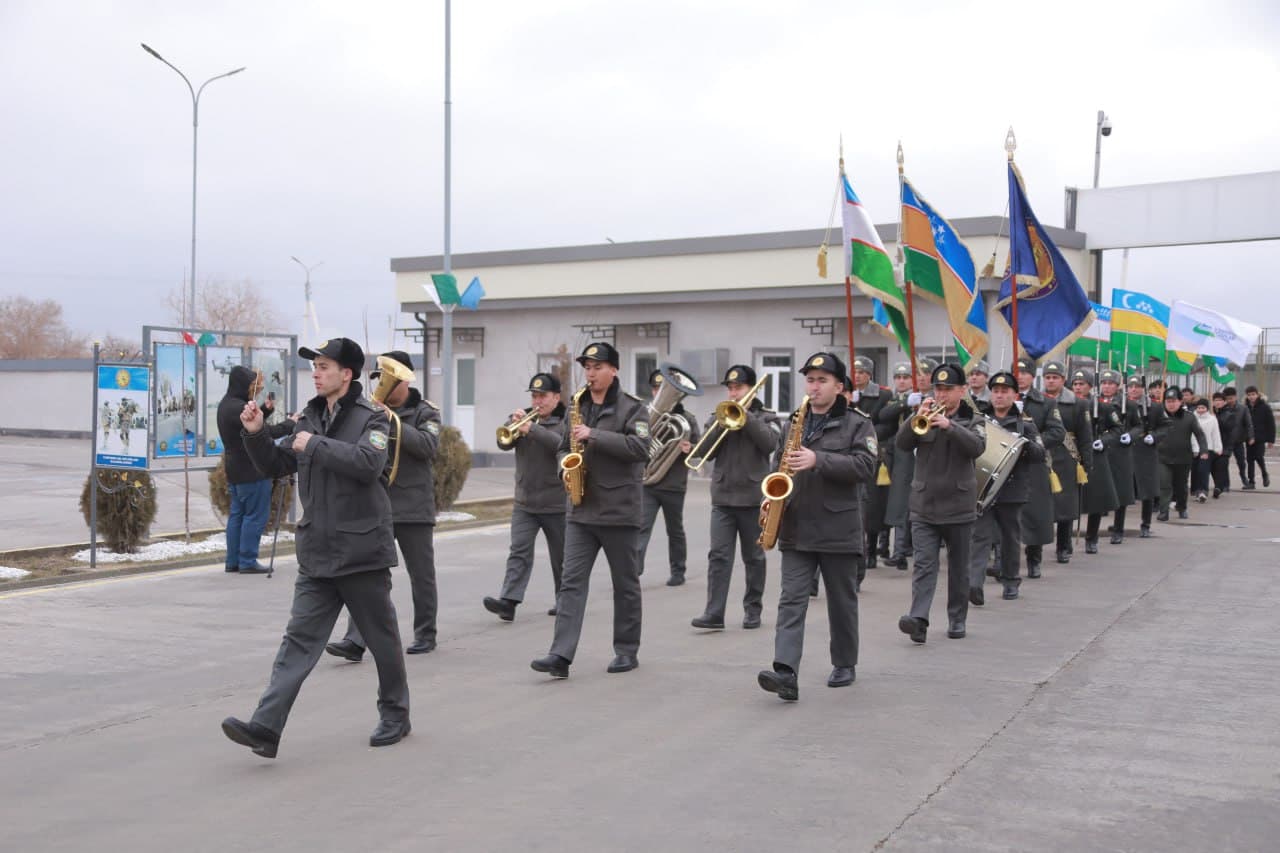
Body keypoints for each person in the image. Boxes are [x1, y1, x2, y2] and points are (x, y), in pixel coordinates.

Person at [221, 338, 410, 759]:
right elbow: (275, 465)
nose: (316, 372)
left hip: (361, 551)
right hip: (318, 551)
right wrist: (254, 434)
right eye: (315, 366)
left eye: (324, 366)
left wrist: (314, 444)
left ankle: (396, 713)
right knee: (297, 642)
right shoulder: (308, 415)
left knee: (381, 640)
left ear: (347, 374)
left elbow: (368, 464)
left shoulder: (372, 418)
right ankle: (266, 728)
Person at [757, 353, 876, 701]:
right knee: (790, 600)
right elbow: (778, 463)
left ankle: (844, 662)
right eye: (810, 380)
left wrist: (817, 459)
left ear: (839, 387)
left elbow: (866, 466)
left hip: (839, 527)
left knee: (841, 601)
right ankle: (785, 671)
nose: (815, 386)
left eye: (823, 380)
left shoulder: (858, 423)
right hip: (797, 525)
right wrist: (769, 499)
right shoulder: (797, 420)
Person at [531, 342, 649, 679]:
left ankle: (627, 651)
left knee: (625, 584)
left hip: (619, 510)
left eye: (597, 367)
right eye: (587, 367)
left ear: (614, 370)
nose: (591, 373)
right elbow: (563, 445)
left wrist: (594, 434)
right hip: (581, 509)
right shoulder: (577, 405)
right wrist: (563, 468)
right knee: (570, 584)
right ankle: (560, 655)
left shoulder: (633, 409)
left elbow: (640, 448)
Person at [324, 350, 441, 660]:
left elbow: (429, 446)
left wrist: (393, 422)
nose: (383, 385)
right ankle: (355, 640)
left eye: (390, 378)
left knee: (422, 575)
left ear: (405, 380)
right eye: (379, 377)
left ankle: (425, 633)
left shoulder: (425, 412)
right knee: (368, 575)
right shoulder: (370, 412)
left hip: (414, 507)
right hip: (378, 506)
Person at [896, 362, 985, 643]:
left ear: (963, 390)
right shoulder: (922, 414)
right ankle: (918, 619)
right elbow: (901, 444)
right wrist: (915, 421)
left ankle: (957, 618)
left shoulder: (974, 419)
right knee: (924, 564)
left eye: (948, 389)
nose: (942, 394)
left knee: (958, 567)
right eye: (938, 388)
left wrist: (949, 426)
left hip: (959, 504)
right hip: (924, 504)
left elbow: (977, 447)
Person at [691, 365, 782, 631]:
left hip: (753, 498)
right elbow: (703, 452)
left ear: (752, 390)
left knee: (753, 558)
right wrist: (723, 423)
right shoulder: (719, 415)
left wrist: (747, 418)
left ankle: (753, 610)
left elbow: (771, 446)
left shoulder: (767, 418)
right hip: (723, 498)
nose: (733, 393)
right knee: (718, 556)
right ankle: (714, 612)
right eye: (730, 388)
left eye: (738, 388)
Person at [483, 373, 567, 621]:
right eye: (534, 395)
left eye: (543, 396)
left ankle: (565, 601)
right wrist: (512, 424)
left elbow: (561, 445)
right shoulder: (523, 420)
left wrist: (533, 429)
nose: (538, 401)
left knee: (561, 558)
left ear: (556, 397)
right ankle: (508, 602)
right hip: (525, 502)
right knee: (519, 551)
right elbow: (503, 443)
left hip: (557, 502)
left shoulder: (566, 422)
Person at [970, 370, 1044, 603]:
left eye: (1005, 392)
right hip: (982, 487)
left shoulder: (1026, 424)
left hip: (1012, 489)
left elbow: (1040, 454)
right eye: (996, 392)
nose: (999, 396)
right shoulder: (979, 419)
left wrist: (1022, 443)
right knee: (979, 537)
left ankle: (1011, 580)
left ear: (1015, 395)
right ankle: (975, 583)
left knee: (1010, 538)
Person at [217, 366, 293, 574]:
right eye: (252, 385)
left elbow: (248, 426)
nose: (255, 390)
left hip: (234, 469)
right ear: (242, 385)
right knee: (255, 515)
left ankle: (233, 561)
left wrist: (265, 409)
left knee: (238, 515)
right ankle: (248, 561)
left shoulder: (227, 405)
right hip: (252, 469)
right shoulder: (239, 408)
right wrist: (291, 423)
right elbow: (265, 432)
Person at [636, 368, 701, 586]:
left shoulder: (687, 419)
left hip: (674, 484)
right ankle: (635, 568)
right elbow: (636, 442)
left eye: (661, 388)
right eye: (656, 389)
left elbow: (700, 450)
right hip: (649, 482)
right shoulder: (643, 415)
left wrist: (689, 447)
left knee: (674, 529)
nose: (658, 393)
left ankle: (678, 571)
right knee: (642, 526)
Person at [879, 359, 934, 571]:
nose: (920, 378)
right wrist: (906, 404)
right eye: (917, 375)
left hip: (928, 453)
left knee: (922, 504)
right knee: (901, 501)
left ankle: (916, 550)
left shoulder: (935, 397)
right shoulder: (901, 398)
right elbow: (883, 416)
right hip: (904, 454)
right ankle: (899, 552)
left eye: (924, 374)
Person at [1015, 359, 1064, 577]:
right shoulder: (1001, 399)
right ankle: (1001, 560)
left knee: (1034, 514)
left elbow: (1057, 432)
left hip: (1033, 462)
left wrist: (1034, 442)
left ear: (1032, 376)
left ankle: (1034, 559)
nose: (1020, 376)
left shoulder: (1045, 403)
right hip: (1005, 462)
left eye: (1025, 372)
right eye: (1017, 372)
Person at [1040, 361, 1091, 563]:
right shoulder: (1036, 401)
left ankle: (1063, 546)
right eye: (1048, 377)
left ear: (1063, 380)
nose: (1051, 381)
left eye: (1055, 377)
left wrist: (1087, 462)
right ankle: (1035, 548)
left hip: (1067, 456)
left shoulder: (1078, 404)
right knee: (1041, 504)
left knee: (1065, 506)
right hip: (1042, 454)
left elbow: (1085, 436)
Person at [1072, 368, 1121, 555]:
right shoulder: (1065, 405)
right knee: (1070, 499)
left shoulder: (1102, 407)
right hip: (1072, 453)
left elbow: (1117, 428)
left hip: (1094, 454)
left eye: (1081, 384)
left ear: (1090, 387)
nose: (1077, 387)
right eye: (1075, 384)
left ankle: (1091, 538)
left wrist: (1104, 440)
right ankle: (1065, 541)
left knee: (1095, 500)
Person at [849, 356, 889, 572]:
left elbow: (886, 425)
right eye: (855, 372)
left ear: (869, 374)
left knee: (873, 507)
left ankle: (872, 550)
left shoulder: (882, 395)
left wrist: (866, 432)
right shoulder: (846, 393)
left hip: (873, 453)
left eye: (862, 372)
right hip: (849, 454)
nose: (858, 376)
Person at [1156, 387, 1208, 522]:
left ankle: (1182, 507)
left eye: (1174, 401)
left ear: (1180, 402)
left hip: (1183, 458)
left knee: (1181, 485)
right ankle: (1163, 511)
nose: (1171, 404)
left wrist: (1204, 450)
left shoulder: (1189, 417)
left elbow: (1200, 435)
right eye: (1168, 401)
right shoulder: (1159, 416)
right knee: (1165, 484)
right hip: (1163, 457)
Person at [1220, 387, 1255, 490]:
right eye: (1227, 398)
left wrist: (1251, 436)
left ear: (1235, 397)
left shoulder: (1243, 408)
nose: (1229, 400)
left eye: (1231, 398)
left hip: (1238, 441)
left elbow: (1249, 424)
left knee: (1241, 462)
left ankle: (1244, 480)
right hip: (1225, 442)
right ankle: (1225, 484)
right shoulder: (1221, 409)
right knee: (1224, 463)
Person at [1190, 397, 1223, 502]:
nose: (1200, 410)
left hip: (1207, 449)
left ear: (1207, 408)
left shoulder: (1212, 419)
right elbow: (1190, 435)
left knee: (1203, 470)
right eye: (1198, 407)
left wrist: (1218, 447)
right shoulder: (1191, 418)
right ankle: (1195, 490)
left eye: (1203, 407)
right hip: (1193, 449)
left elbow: (1215, 434)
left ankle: (1203, 491)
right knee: (1195, 471)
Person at [1245, 386, 1275, 488]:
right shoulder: (1246, 407)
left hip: (1260, 437)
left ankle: (1264, 473)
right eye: (1249, 395)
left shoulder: (1265, 407)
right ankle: (1251, 482)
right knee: (1249, 460)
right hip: (1249, 437)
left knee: (1258, 456)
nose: (1251, 397)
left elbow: (1271, 424)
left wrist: (1271, 440)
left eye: (1253, 394)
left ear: (1257, 394)